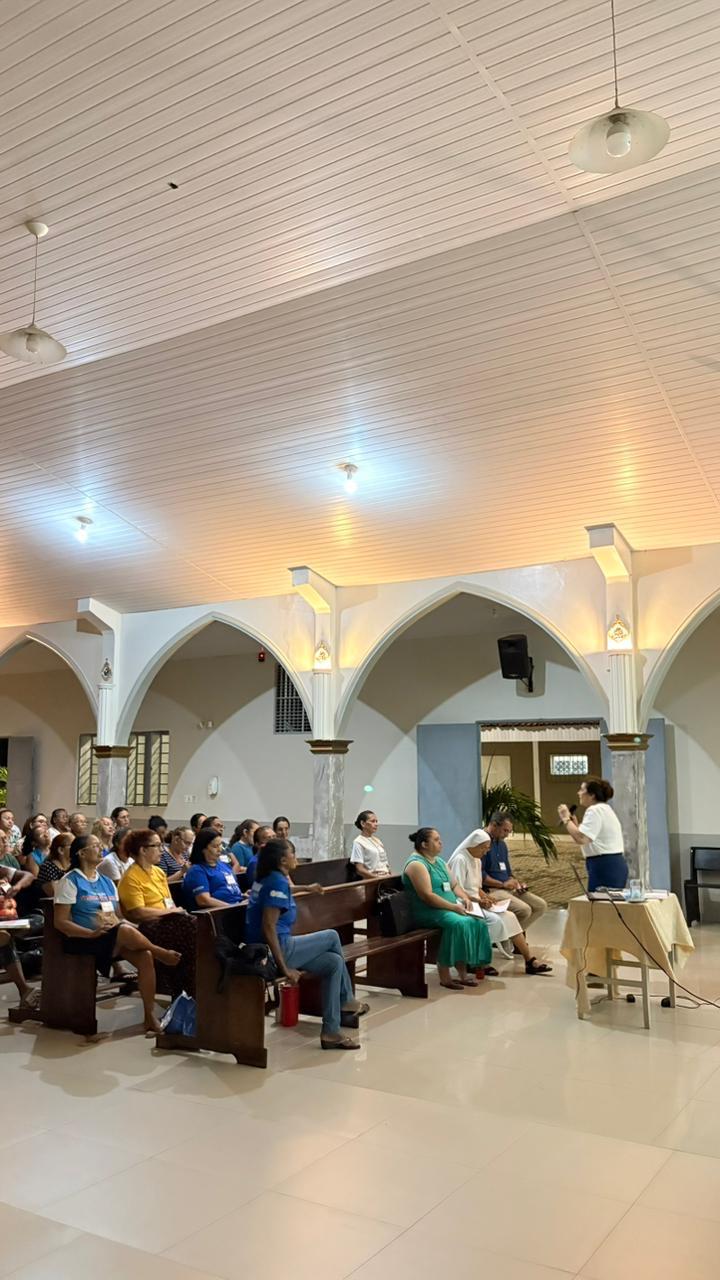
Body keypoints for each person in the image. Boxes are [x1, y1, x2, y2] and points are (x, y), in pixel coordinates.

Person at [54, 834, 181, 1034]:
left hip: (111, 936)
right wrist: (90, 934)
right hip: (84, 939)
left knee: (144, 954)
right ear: (81, 853)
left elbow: (118, 915)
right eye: (95, 846)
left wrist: (133, 926)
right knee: (124, 930)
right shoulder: (70, 881)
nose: (101, 849)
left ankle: (149, 1016)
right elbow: (60, 922)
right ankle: (160, 952)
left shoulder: (106, 881)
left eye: (100, 845)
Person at [246, 838, 365, 1050]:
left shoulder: (269, 878)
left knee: (334, 963)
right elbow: (268, 927)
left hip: (273, 947)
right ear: (283, 860)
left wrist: (306, 888)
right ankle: (346, 999)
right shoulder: (277, 882)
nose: (296, 857)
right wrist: (285, 968)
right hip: (274, 952)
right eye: (293, 853)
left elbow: (283, 891)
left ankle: (331, 1032)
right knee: (331, 936)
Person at [448, 832, 551, 975]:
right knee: (494, 920)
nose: (486, 852)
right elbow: (458, 889)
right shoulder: (460, 859)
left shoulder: (476, 860)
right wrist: (479, 901)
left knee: (510, 916)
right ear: (474, 845)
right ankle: (477, 961)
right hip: (464, 903)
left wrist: (487, 898)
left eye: (487, 848)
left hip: (477, 901)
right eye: (484, 848)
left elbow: (476, 888)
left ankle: (529, 960)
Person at [403, 827, 492, 989]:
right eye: (436, 840)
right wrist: (453, 907)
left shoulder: (439, 862)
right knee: (460, 923)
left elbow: (454, 885)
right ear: (424, 844)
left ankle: (465, 972)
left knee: (478, 922)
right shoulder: (417, 864)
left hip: (447, 909)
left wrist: (465, 898)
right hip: (428, 911)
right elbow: (427, 895)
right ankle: (445, 975)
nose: (441, 843)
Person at [118, 829, 196, 995]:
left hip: (168, 922)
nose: (162, 850)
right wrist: (170, 913)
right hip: (148, 926)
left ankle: (188, 986)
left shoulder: (158, 872)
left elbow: (168, 903)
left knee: (193, 928)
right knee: (191, 928)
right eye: (157, 846)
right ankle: (185, 987)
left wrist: (174, 912)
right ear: (143, 850)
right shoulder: (131, 877)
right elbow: (138, 913)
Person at [480, 813, 547, 932]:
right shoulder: (482, 843)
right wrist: (502, 884)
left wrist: (516, 882)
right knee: (524, 910)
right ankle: (510, 936)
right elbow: (480, 875)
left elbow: (508, 871)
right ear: (494, 825)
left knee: (540, 905)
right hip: (491, 890)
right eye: (505, 830)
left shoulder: (502, 844)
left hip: (506, 887)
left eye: (509, 832)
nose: (507, 835)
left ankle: (513, 936)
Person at [558, 778, 627, 892]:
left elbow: (582, 838)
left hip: (604, 864)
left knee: (600, 901)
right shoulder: (604, 809)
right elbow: (587, 837)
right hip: (610, 863)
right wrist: (575, 826)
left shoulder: (594, 810)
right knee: (606, 901)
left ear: (592, 795)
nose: (579, 793)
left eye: (582, 790)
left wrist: (565, 818)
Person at [183, 828, 245, 910]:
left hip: (236, 905)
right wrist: (233, 907)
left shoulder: (224, 865)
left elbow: (229, 889)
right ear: (203, 849)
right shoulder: (197, 870)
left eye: (220, 845)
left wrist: (243, 895)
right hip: (221, 912)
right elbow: (204, 900)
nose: (220, 849)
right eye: (215, 846)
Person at [350, 811, 391, 878]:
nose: (376, 824)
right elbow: (359, 869)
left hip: (386, 876)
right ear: (363, 823)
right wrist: (377, 878)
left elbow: (386, 864)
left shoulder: (377, 840)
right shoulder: (358, 842)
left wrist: (392, 876)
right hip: (373, 879)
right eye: (372, 821)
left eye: (376, 821)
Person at [38, 832, 73, 897]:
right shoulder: (48, 866)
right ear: (61, 850)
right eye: (73, 845)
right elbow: (54, 893)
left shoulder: (74, 866)